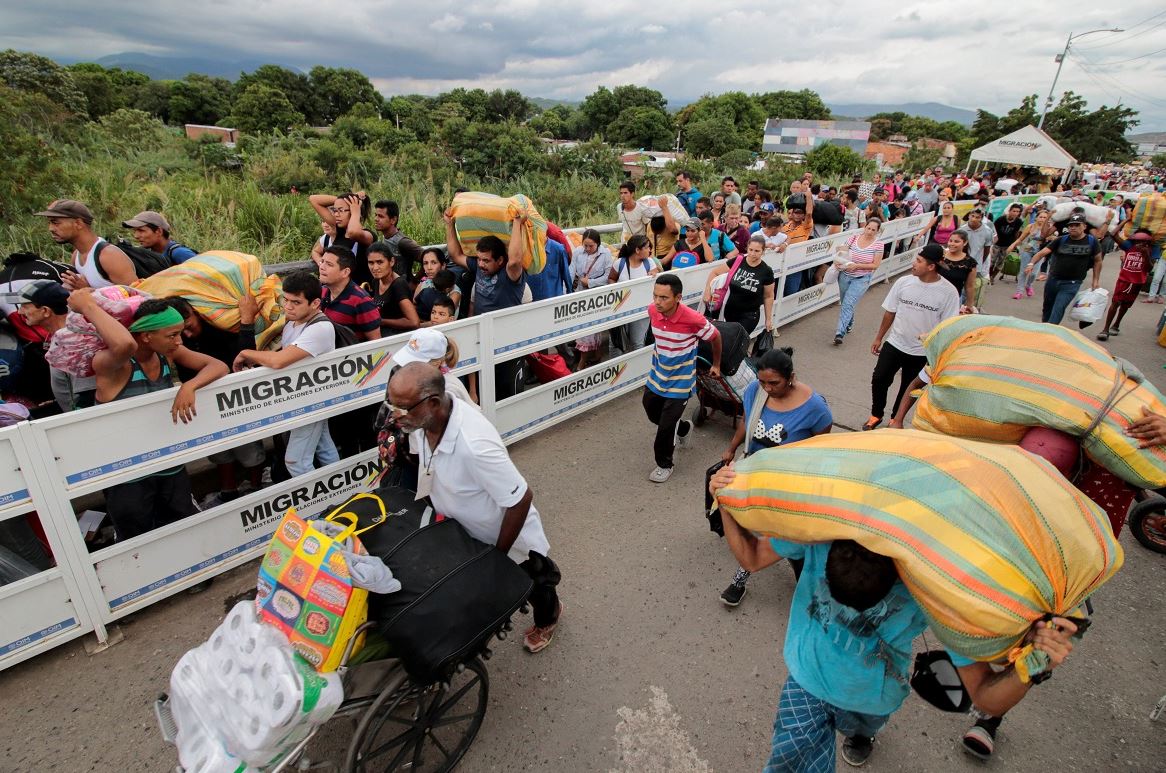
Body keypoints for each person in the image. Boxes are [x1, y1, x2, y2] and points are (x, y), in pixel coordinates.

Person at [706, 465, 1081, 770]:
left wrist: (1035, 662)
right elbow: (752, 557)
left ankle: (863, 735)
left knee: (862, 728)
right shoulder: (819, 529)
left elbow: (987, 698)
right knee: (788, 763)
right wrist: (723, 498)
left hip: (872, 700)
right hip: (807, 680)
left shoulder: (938, 586)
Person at [386, 362, 562, 652]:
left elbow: (520, 499)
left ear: (433, 402)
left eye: (403, 408)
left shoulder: (475, 445)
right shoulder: (420, 423)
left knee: (534, 580)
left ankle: (548, 617)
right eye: (392, 405)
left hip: (507, 537)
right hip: (464, 530)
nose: (395, 415)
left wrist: (497, 558)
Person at [74, 293, 228, 540]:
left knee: (185, 531)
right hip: (127, 474)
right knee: (137, 540)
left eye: (180, 333)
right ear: (146, 336)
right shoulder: (113, 364)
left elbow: (218, 366)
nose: (179, 341)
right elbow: (125, 345)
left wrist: (189, 386)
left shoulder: (167, 353)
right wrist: (88, 305)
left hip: (168, 464)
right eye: (172, 335)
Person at [717, 348, 832, 607]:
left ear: (791, 377)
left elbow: (822, 447)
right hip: (754, 475)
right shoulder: (754, 392)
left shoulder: (815, 408)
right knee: (752, 527)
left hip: (789, 485)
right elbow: (747, 421)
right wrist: (732, 447)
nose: (767, 388)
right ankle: (741, 578)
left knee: (789, 538)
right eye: (762, 382)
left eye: (774, 383)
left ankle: (805, 585)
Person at [233, 272, 340, 478]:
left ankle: (315, 498)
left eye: (296, 302)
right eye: (286, 300)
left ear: (315, 303)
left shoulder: (320, 328)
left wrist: (246, 353)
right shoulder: (292, 322)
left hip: (313, 401)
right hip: (306, 396)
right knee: (323, 447)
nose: (288, 307)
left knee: (296, 461)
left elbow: (279, 360)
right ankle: (339, 491)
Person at [167, 293, 267, 507]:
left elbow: (244, 357)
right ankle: (228, 491)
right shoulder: (179, 341)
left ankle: (256, 487)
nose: (185, 334)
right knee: (219, 450)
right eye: (179, 332)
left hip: (235, 397)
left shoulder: (222, 327)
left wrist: (246, 322)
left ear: (196, 313)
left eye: (188, 326)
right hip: (204, 399)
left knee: (249, 448)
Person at [864, 245, 960, 431]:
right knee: (879, 378)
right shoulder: (903, 282)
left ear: (931, 266)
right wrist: (879, 337)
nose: (913, 263)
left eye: (918, 261)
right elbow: (890, 312)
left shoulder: (949, 292)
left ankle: (895, 419)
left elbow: (948, 327)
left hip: (921, 352)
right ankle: (876, 414)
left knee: (909, 389)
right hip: (895, 343)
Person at [643, 274, 721, 483]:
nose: (657, 302)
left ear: (678, 297)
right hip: (657, 376)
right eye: (655, 296)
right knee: (652, 412)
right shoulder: (652, 311)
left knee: (665, 428)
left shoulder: (693, 319)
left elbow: (715, 336)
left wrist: (716, 364)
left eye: (663, 297)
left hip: (681, 381)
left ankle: (664, 465)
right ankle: (684, 428)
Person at [10, 280, 93, 411]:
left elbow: (88, 396)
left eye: (25, 306)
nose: (20, 312)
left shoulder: (72, 341)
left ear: (45, 311)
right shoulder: (61, 335)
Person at [35, 200, 136, 290]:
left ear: (78, 223)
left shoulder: (108, 255)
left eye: (55, 223)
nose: (51, 228)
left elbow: (138, 297)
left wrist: (88, 290)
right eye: (49, 223)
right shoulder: (76, 256)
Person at [1027, 214, 1102, 325]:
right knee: (1047, 309)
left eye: (1077, 225)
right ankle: (1044, 328)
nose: (1073, 227)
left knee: (1059, 308)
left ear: (1084, 226)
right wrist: (1031, 264)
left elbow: (1098, 261)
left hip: (1072, 283)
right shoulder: (1061, 240)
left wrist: (1095, 281)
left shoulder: (1092, 241)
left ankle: (1050, 331)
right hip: (1053, 280)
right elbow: (1042, 253)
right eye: (1071, 225)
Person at [702, 234, 775, 337]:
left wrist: (768, 320)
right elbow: (715, 272)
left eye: (757, 251)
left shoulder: (766, 271)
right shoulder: (737, 261)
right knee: (726, 341)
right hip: (729, 311)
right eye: (750, 250)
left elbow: (768, 296)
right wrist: (707, 291)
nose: (752, 254)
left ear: (763, 252)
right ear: (747, 248)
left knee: (737, 340)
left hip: (749, 315)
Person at [833, 218, 884, 346]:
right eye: (868, 228)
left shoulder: (879, 245)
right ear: (865, 227)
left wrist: (857, 266)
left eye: (873, 230)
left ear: (877, 231)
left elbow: (875, 265)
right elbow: (841, 252)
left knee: (848, 304)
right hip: (845, 275)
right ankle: (849, 323)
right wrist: (838, 261)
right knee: (845, 302)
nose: (870, 231)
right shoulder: (853, 238)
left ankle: (839, 333)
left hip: (862, 278)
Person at [1097, 230, 1154, 341]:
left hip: (1137, 283)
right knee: (1115, 303)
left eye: (1142, 241)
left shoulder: (1151, 250)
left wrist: (1146, 255)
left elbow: (1149, 268)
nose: (1139, 244)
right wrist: (1126, 221)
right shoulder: (1129, 246)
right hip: (1124, 280)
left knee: (1125, 305)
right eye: (1137, 241)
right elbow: (1113, 234)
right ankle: (1105, 329)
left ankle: (1116, 324)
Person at [308, 192, 375, 285]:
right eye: (335, 210)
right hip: (336, 290)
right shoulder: (339, 231)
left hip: (357, 291)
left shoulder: (368, 236)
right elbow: (314, 199)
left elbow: (353, 232)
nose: (336, 214)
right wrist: (346, 199)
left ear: (353, 210)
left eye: (341, 210)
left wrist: (356, 211)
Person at [317, 247, 381, 341]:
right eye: (322, 262)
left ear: (345, 272)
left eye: (329, 264)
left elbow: (376, 342)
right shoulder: (321, 292)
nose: (322, 267)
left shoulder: (361, 301)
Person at [608, 235, 659, 351]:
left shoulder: (649, 262)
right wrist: (618, 290)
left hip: (641, 309)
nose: (650, 250)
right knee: (617, 342)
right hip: (621, 308)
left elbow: (655, 274)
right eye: (647, 247)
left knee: (637, 342)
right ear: (637, 250)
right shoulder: (620, 263)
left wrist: (654, 273)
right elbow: (611, 278)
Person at [572, 230, 614, 371]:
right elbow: (571, 270)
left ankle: (582, 362)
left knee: (590, 329)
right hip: (580, 294)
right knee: (583, 328)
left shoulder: (605, 254)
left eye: (591, 246)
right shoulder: (578, 252)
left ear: (598, 244)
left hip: (596, 296)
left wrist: (590, 282)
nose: (588, 248)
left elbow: (608, 276)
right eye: (586, 245)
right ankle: (597, 355)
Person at [366, 241, 420, 333]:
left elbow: (414, 322)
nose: (375, 268)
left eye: (379, 262)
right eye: (371, 263)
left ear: (391, 262)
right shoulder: (376, 281)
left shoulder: (398, 285)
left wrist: (382, 321)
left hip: (397, 336)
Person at [372, 200, 423, 284]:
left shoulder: (403, 242)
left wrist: (414, 282)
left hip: (403, 288)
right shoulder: (385, 237)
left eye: (380, 216)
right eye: (376, 215)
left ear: (393, 220)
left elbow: (428, 257)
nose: (376, 219)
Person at [122, 210, 197, 265]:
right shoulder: (147, 253)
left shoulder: (179, 253)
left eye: (141, 230)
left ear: (159, 231)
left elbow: (201, 273)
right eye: (135, 231)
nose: (136, 236)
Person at [1008, 209, 1052, 300]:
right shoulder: (1030, 226)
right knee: (1023, 271)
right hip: (1027, 250)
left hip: (1039, 252)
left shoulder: (1049, 228)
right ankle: (1019, 292)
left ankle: (1029, 285)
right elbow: (1020, 239)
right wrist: (1013, 245)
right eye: (1040, 217)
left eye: (1045, 217)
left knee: (1034, 274)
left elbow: (1054, 238)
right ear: (1036, 218)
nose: (1042, 219)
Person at [780, 197, 815, 296]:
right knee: (778, 291)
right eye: (796, 212)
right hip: (782, 262)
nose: (798, 215)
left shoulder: (805, 227)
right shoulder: (784, 227)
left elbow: (809, 213)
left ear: (804, 215)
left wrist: (808, 194)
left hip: (795, 264)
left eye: (801, 213)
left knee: (791, 291)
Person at [936, 231, 979, 310]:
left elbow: (969, 286)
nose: (952, 244)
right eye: (950, 241)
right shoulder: (939, 256)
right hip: (933, 296)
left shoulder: (970, 263)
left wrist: (969, 305)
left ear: (965, 243)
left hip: (953, 301)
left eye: (956, 241)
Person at [962, 209, 995, 309]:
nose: (974, 219)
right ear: (969, 216)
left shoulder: (987, 231)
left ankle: (968, 307)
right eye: (972, 216)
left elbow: (987, 249)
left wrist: (980, 263)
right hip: (963, 262)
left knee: (971, 287)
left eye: (977, 217)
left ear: (981, 218)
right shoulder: (962, 230)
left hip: (976, 265)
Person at [989, 204, 1025, 282]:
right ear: (1009, 211)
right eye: (1014, 211)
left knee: (1001, 262)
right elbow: (993, 232)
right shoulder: (1000, 220)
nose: (1015, 213)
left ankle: (992, 277)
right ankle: (988, 276)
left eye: (1018, 211)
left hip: (1007, 245)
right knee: (992, 261)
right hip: (997, 243)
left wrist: (1015, 244)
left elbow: (1017, 233)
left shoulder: (1019, 222)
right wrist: (992, 242)